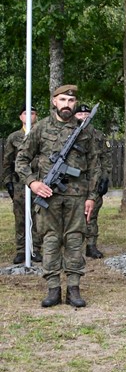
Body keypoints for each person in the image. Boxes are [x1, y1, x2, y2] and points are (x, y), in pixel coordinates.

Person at [15, 85, 100, 308]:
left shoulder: (85, 131)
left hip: (77, 197)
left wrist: (91, 197)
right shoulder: (41, 128)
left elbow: (95, 166)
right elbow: (21, 160)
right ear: (54, 102)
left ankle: (73, 289)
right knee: (50, 240)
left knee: (75, 239)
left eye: (71, 101)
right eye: (62, 100)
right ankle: (53, 288)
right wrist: (33, 183)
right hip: (48, 196)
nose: (67, 105)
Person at [3, 107, 42, 264]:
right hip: (20, 183)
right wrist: (8, 182)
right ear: (20, 117)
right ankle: (21, 250)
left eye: (32, 113)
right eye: (25, 113)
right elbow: (7, 162)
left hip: (39, 181)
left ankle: (35, 249)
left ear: (36, 116)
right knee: (20, 217)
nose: (29, 116)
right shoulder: (14, 137)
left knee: (38, 215)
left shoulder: (41, 135)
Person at [75, 103, 112, 259]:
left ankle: (91, 245)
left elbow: (106, 158)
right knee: (73, 215)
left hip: (94, 180)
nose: (84, 117)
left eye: (87, 114)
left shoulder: (98, 135)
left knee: (92, 214)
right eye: (80, 114)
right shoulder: (70, 133)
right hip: (75, 181)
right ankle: (73, 246)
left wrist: (105, 178)